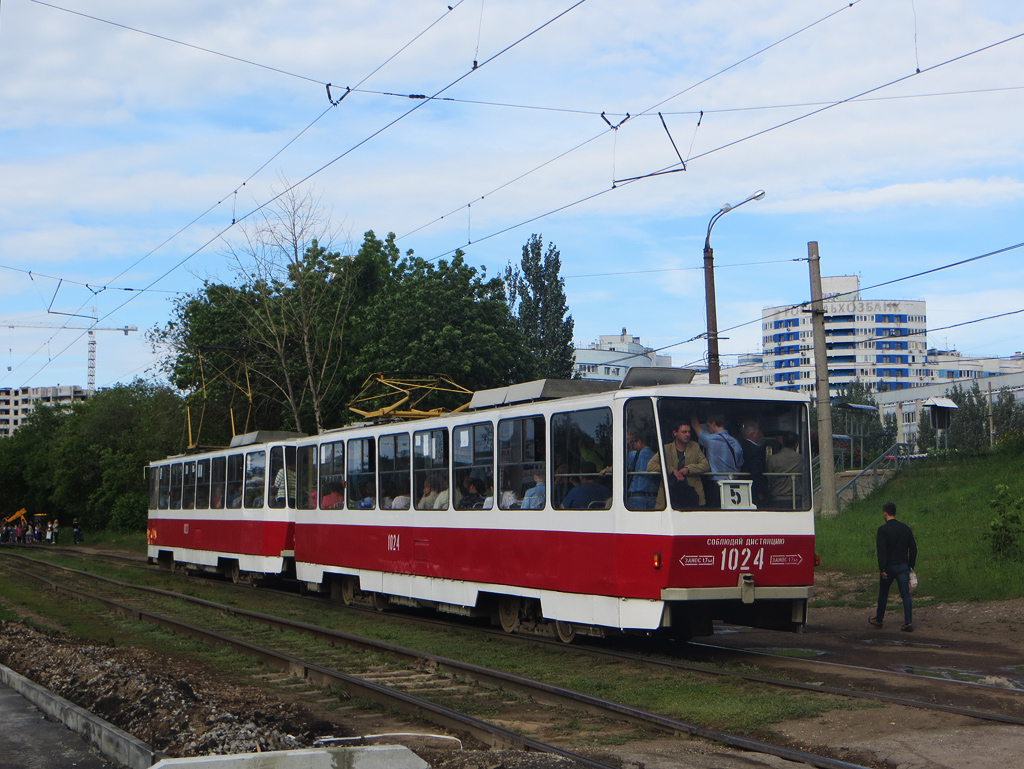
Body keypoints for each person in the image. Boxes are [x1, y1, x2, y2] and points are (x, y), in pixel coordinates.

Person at [870, 502, 918, 632]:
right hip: (903, 566)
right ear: (895, 513)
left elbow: (882, 551)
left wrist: (882, 569)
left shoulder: (883, 530)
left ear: (885, 513)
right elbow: (913, 548)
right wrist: (910, 565)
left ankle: (879, 619)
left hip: (889, 567)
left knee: (883, 594)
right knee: (906, 595)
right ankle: (908, 622)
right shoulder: (905, 528)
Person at [648, 420, 710, 510]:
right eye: (684, 432)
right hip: (670, 495)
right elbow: (650, 466)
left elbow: (705, 465)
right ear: (675, 433)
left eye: (689, 432)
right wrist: (672, 470)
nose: (687, 434)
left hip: (692, 495)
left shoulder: (695, 446)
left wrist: (688, 469)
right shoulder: (666, 449)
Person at [691, 413, 743, 508]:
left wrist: (692, 413)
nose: (708, 429)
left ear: (713, 424)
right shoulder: (736, 443)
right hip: (735, 484)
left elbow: (696, 426)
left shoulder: (711, 440)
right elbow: (739, 466)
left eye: (708, 425)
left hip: (716, 485)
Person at [766, 432, 803, 507]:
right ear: (796, 444)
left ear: (782, 442)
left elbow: (768, 479)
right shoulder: (800, 458)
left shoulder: (772, 459)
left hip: (777, 497)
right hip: (795, 497)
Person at [624, 428, 658, 509]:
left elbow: (621, 467)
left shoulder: (633, 455)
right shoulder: (654, 456)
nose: (630, 444)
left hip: (636, 497)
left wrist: (606, 469)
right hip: (653, 497)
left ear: (639, 442)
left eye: (632, 442)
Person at [739, 420, 768, 508]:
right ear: (754, 434)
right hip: (753, 489)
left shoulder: (739, 445)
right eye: (759, 433)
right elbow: (756, 472)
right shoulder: (756, 451)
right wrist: (760, 491)